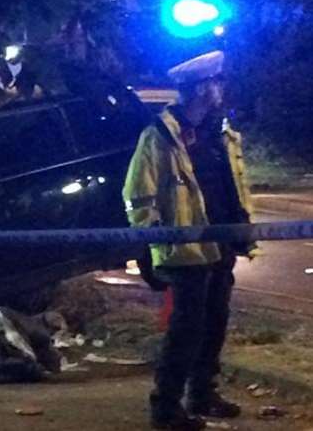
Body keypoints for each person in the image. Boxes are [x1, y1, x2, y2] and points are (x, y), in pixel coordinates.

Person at [123, 51, 255, 430]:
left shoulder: (219, 132)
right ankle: (165, 408)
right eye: (215, 83)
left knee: (214, 323)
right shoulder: (160, 137)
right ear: (200, 88)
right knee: (186, 331)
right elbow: (138, 195)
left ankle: (202, 393)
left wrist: (241, 229)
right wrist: (156, 240)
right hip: (184, 251)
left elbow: (232, 185)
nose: (221, 89)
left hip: (220, 246)